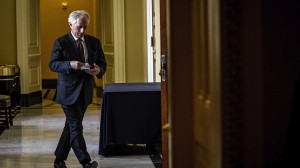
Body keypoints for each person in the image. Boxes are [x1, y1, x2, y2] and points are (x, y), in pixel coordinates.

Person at [49, 10, 107, 168]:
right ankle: (86, 162)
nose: (82, 31)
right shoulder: (61, 42)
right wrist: (69, 64)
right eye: (79, 27)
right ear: (70, 25)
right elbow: (53, 64)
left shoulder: (94, 42)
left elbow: (103, 63)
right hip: (67, 92)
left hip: (85, 91)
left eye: (85, 27)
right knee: (76, 126)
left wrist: (98, 70)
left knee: (71, 126)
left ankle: (59, 160)